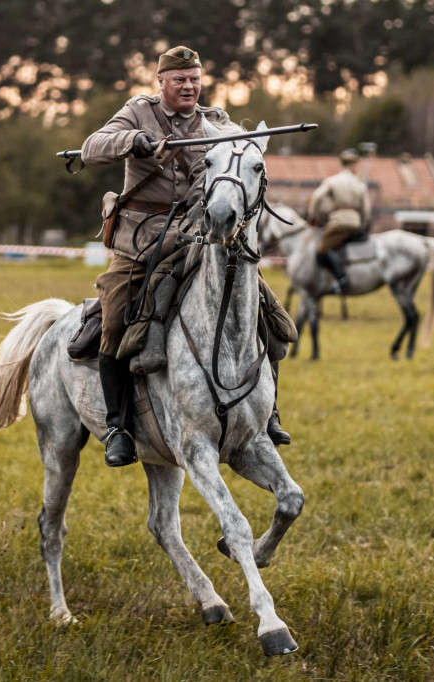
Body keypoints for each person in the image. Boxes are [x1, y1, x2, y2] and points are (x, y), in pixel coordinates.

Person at [81, 46, 290, 468]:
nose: (189, 86)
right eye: (180, 80)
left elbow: (241, 158)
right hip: (141, 241)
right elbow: (91, 147)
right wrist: (133, 142)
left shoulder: (216, 123)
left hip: (198, 237)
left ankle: (267, 411)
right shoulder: (138, 112)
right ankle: (118, 426)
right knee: (117, 315)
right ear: (161, 82)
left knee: (262, 309)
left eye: (194, 79)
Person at [306, 149, 371, 295]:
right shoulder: (360, 184)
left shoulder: (332, 181)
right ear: (354, 165)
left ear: (341, 163)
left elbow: (316, 197)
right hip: (355, 223)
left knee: (322, 248)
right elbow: (366, 209)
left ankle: (341, 279)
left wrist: (312, 215)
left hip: (338, 223)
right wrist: (362, 223)